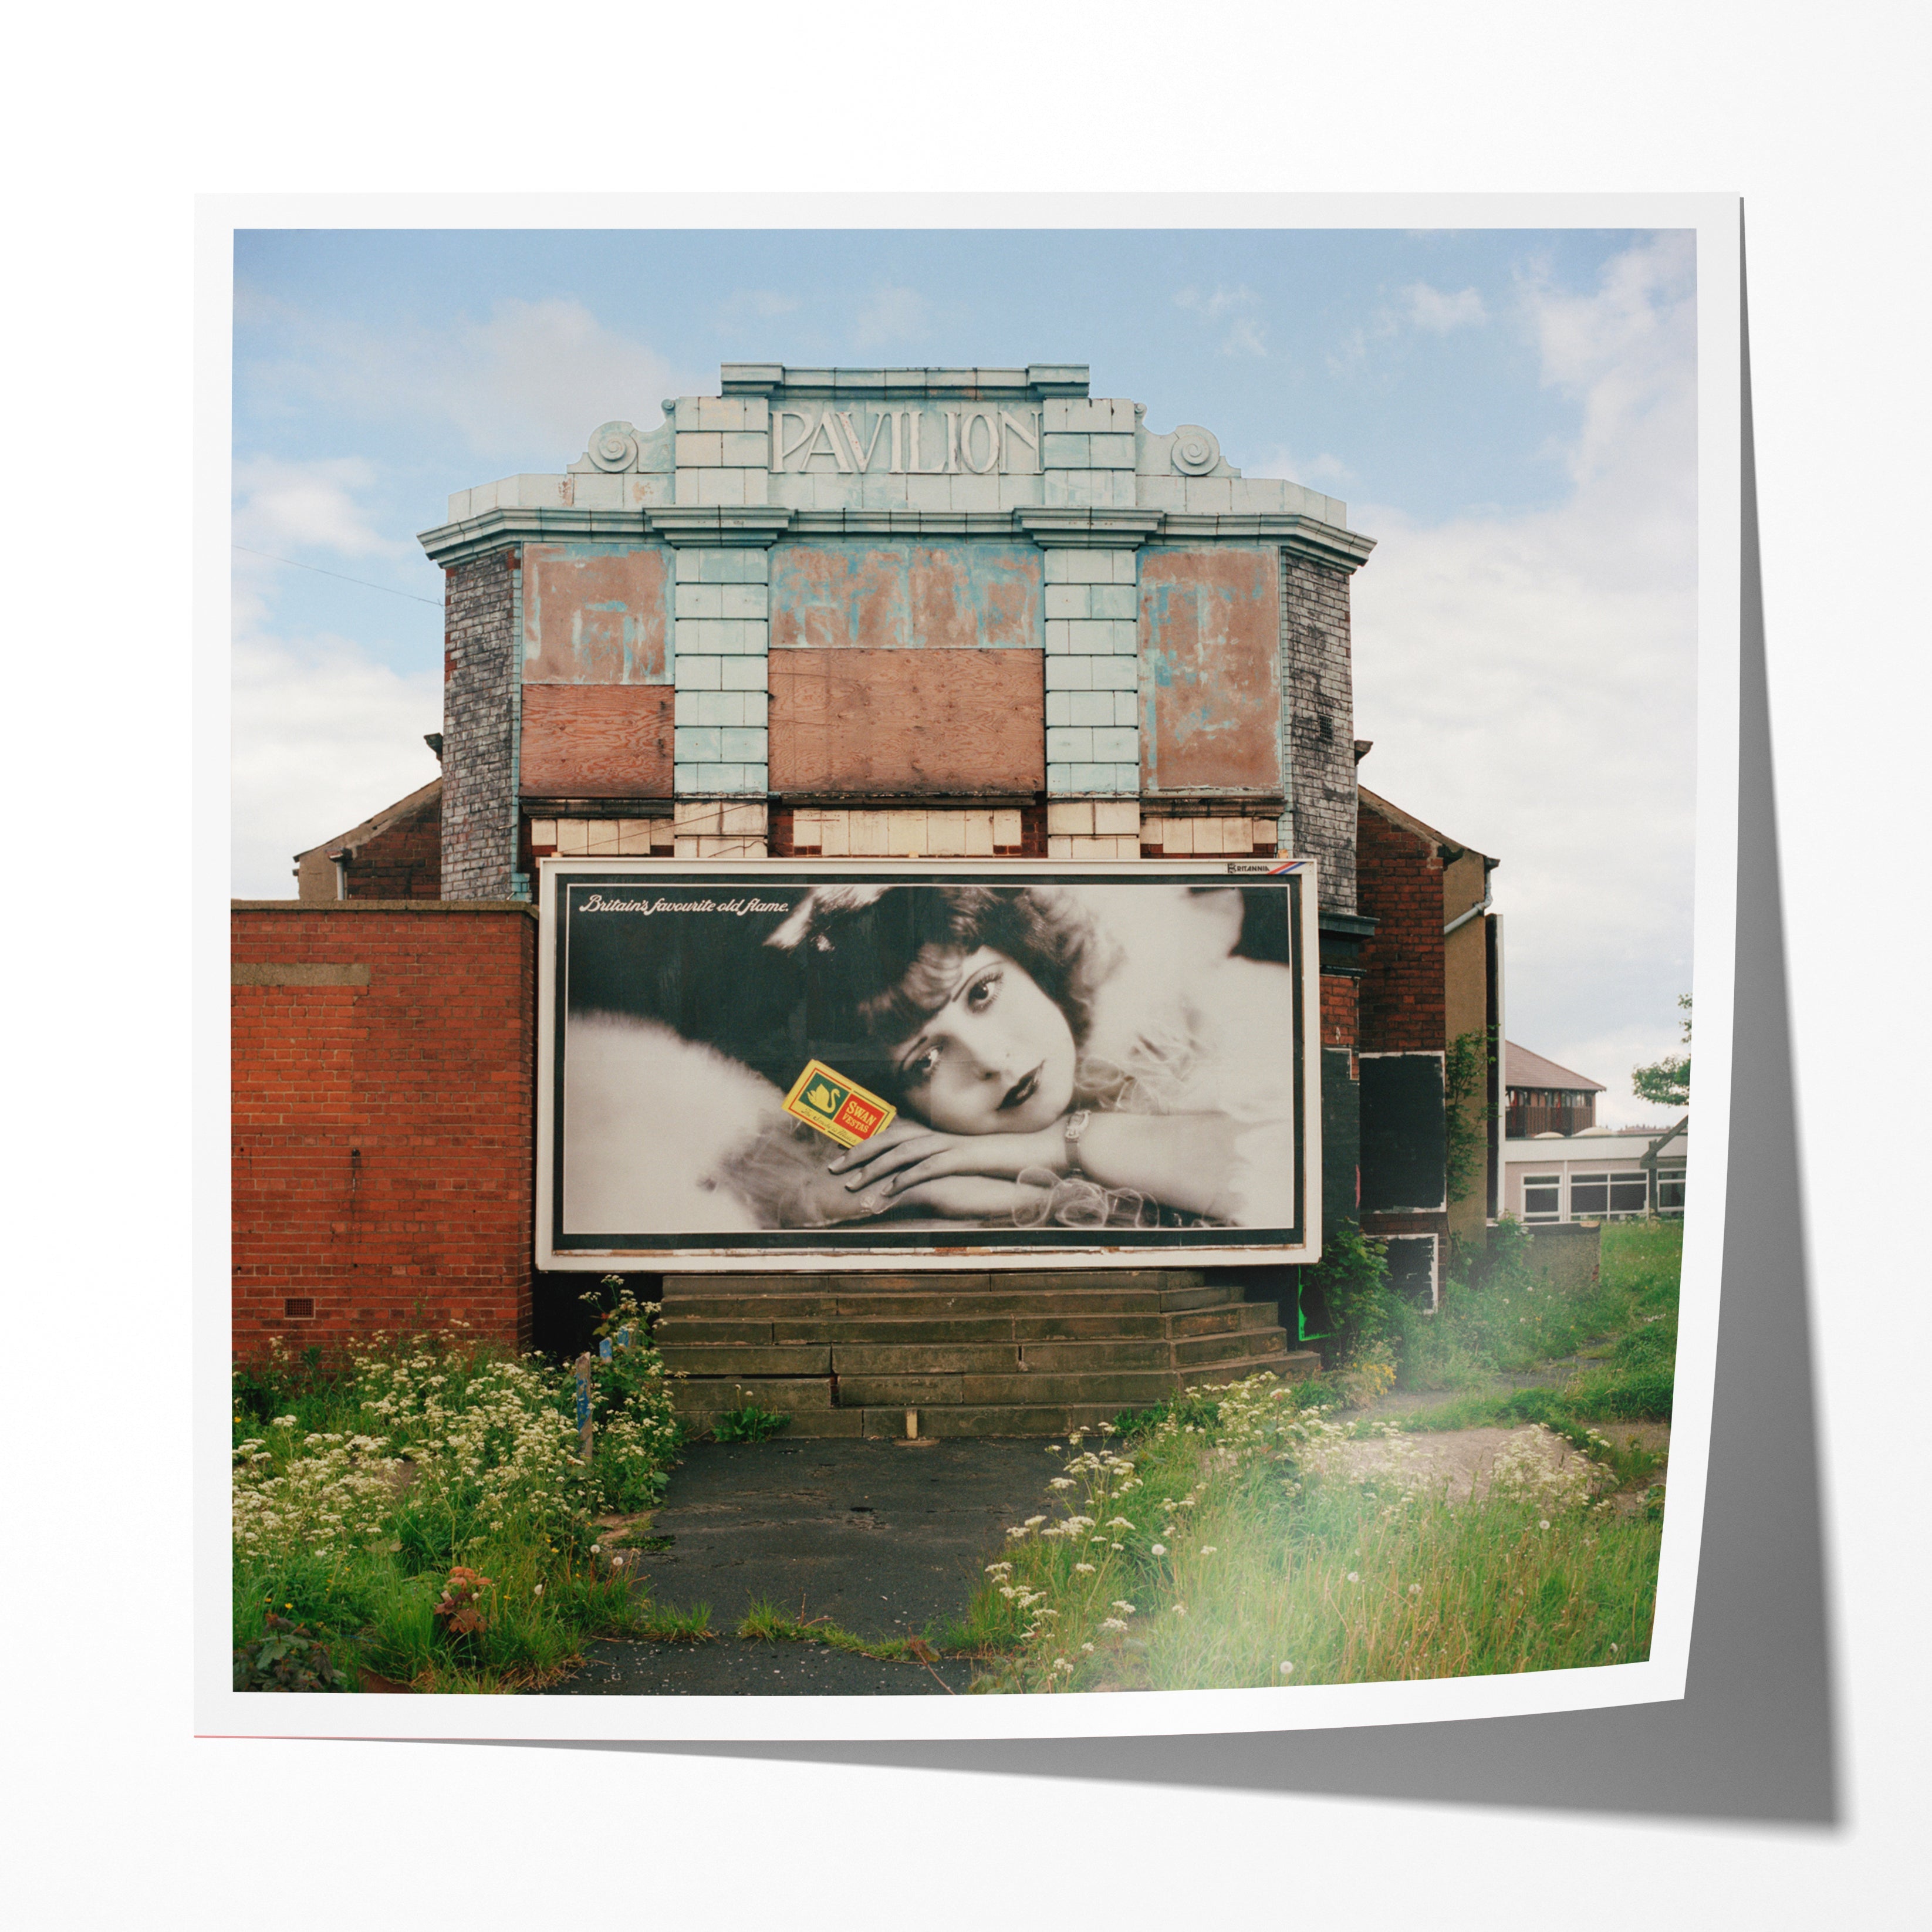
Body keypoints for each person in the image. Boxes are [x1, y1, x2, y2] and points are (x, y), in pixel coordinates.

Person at [734, 883, 1296, 1230]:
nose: (992, 1061)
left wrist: (1060, 1143)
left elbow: (1281, 1182)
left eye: (983, 992)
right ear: (897, 1109)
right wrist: (932, 1182)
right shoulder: (930, 1191)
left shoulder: (1221, 1009)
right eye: (924, 1062)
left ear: (1035, 965)